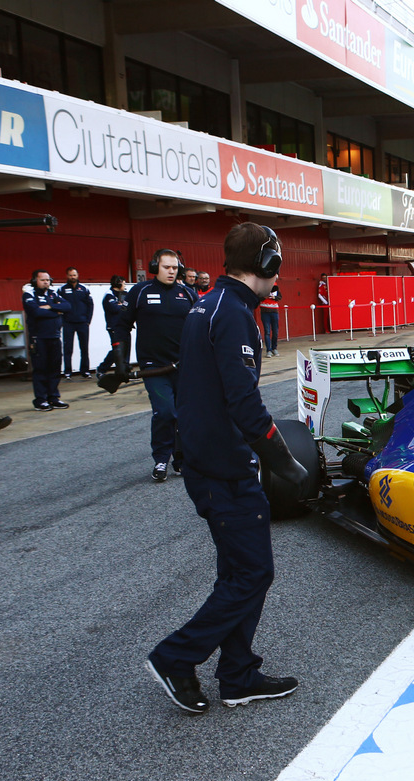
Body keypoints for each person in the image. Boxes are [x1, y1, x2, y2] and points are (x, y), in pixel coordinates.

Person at [145, 222, 304, 714]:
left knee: (238, 573)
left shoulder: (207, 303)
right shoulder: (233, 313)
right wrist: (287, 463)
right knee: (254, 573)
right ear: (268, 264)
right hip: (224, 466)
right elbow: (245, 405)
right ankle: (176, 656)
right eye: (277, 264)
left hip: (206, 459)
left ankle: (238, 676)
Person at [121, 249, 196, 481]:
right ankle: (161, 459)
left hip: (184, 366)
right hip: (153, 367)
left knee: (185, 415)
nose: (171, 272)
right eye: (166, 267)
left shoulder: (188, 294)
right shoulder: (140, 292)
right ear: (156, 268)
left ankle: (182, 460)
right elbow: (122, 326)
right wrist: (120, 361)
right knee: (165, 412)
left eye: (175, 268)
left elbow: (203, 327)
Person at [22, 270, 70, 411]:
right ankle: (41, 400)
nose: (46, 282)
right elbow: (35, 312)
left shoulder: (53, 294)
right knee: (41, 369)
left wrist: (50, 307)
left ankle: (53, 397)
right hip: (39, 338)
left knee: (54, 369)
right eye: (43, 280)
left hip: (54, 337)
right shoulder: (29, 294)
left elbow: (67, 306)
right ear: (34, 280)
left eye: (48, 280)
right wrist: (56, 312)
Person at [58, 267, 93, 377]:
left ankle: (85, 371)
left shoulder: (84, 289)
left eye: (74, 275)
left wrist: (88, 320)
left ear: (77, 275)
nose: (72, 277)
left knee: (84, 348)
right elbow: (58, 305)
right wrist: (62, 321)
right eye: (70, 275)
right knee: (68, 348)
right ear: (67, 276)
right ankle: (68, 371)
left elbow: (90, 305)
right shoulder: (61, 290)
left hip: (82, 323)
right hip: (68, 323)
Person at [96, 275, 130, 376]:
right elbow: (115, 308)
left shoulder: (124, 294)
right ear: (119, 283)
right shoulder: (109, 295)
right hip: (114, 327)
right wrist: (122, 306)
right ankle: (101, 369)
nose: (124, 286)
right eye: (124, 283)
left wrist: (122, 306)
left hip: (125, 325)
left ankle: (125, 370)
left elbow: (129, 306)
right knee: (117, 350)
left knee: (126, 349)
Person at [259, 281, 280, 357]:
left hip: (274, 311)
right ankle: (269, 350)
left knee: (275, 331)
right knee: (267, 331)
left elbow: (279, 297)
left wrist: (274, 297)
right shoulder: (262, 286)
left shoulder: (276, 286)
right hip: (265, 311)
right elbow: (258, 297)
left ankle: (274, 348)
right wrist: (264, 297)